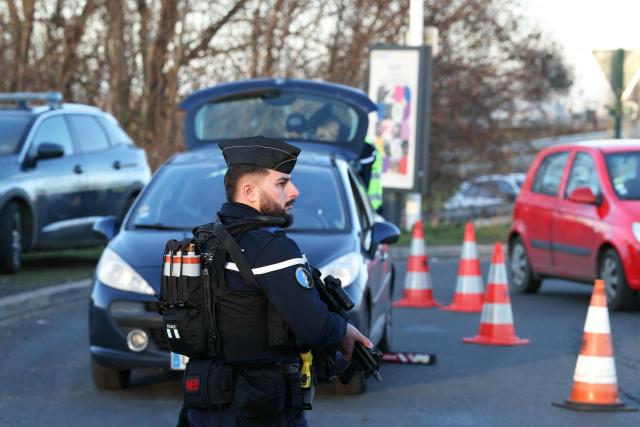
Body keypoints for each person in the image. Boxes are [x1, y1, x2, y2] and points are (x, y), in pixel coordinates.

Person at [185, 135, 372, 427]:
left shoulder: (204, 240)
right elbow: (314, 327)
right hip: (259, 406)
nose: (295, 191)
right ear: (249, 191)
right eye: (282, 183)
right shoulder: (270, 247)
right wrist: (342, 328)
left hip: (204, 399)